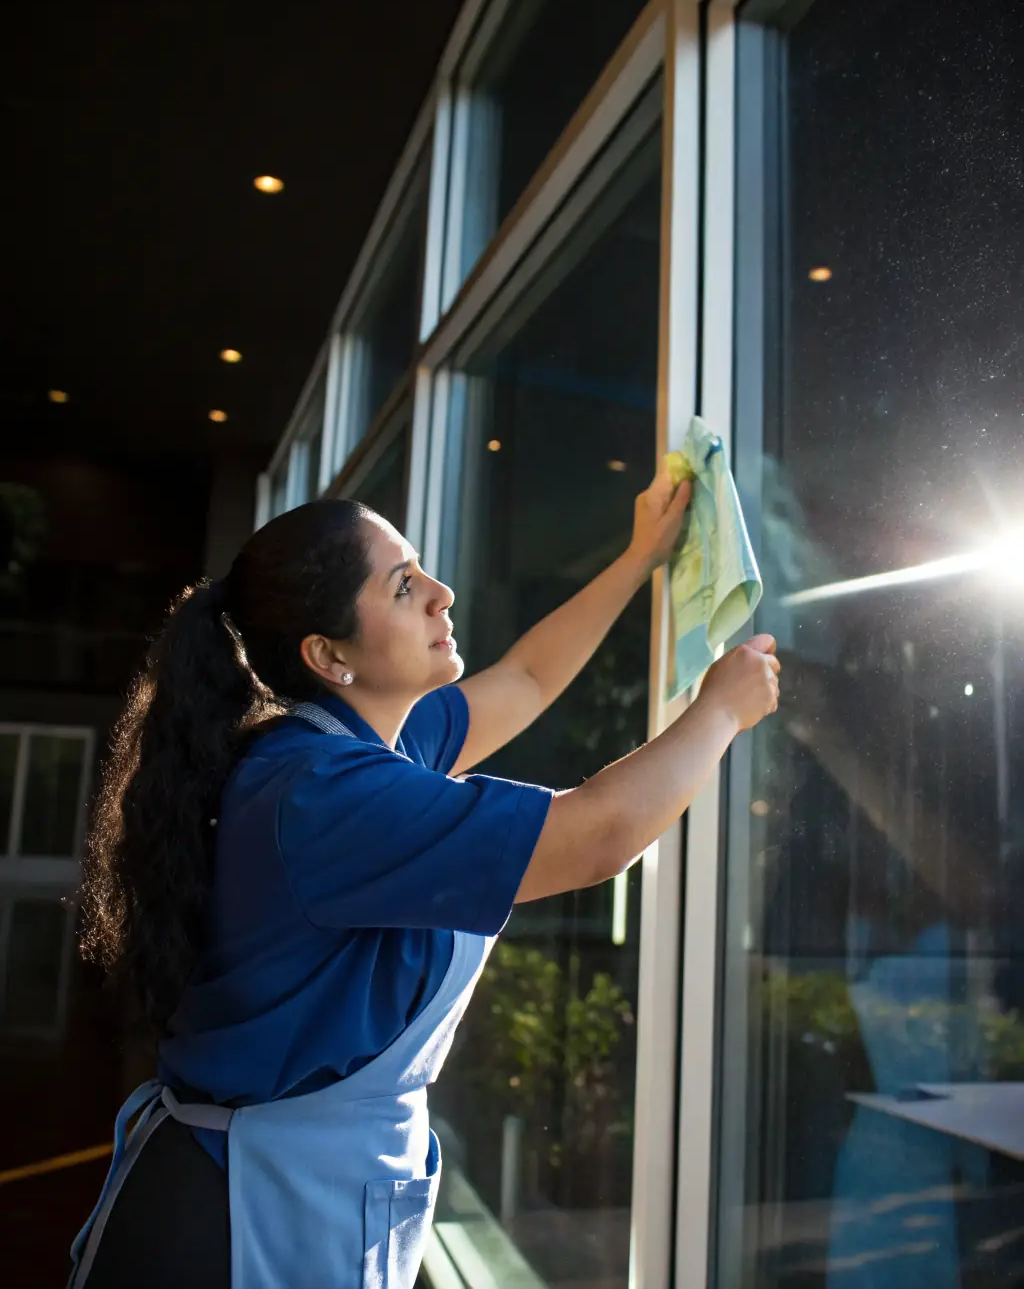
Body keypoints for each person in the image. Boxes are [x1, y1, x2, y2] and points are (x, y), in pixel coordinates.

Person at [70, 466, 779, 1288]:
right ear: (330, 654)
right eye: (405, 586)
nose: (442, 593)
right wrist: (722, 708)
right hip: (233, 1224)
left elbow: (527, 680)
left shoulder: (366, 743)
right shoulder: (324, 795)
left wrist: (639, 556)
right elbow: (598, 837)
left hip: (283, 1188)